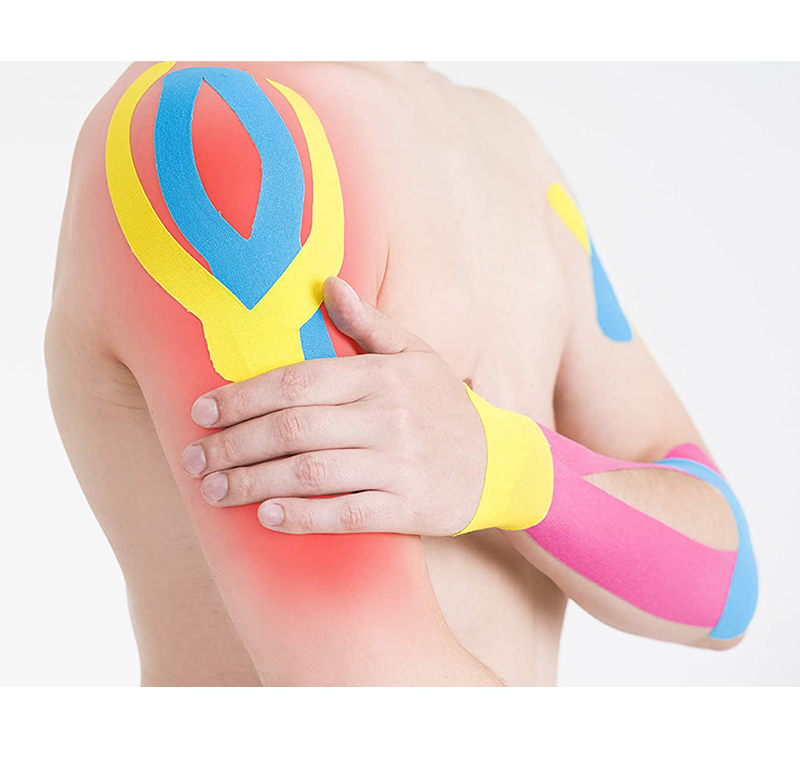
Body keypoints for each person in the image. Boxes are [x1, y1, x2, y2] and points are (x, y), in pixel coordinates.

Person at [45, 61, 755, 686]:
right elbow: (363, 680)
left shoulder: (503, 141)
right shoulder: (220, 123)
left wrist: (502, 467)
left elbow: (724, 586)